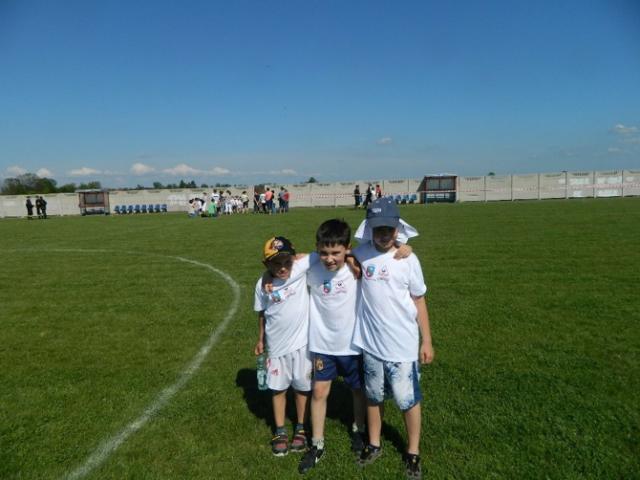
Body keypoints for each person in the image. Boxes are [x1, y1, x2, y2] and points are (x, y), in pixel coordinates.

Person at [352, 197, 434, 479]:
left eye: (389, 229)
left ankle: (413, 451)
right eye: (378, 229)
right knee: (374, 396)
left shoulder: (408, 259)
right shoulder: (361, 254)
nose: (384, 234)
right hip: (371, 345)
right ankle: (374, 443)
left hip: (402, 346)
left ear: (398, 228)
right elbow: (333, 255)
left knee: (407, 399)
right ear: (369, 229)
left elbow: (419, 300)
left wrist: (426, 341)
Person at [298, 219, 367, 474]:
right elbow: (282, 269)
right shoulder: (312, 268)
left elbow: (384, 253)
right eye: (324, 252)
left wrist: (405, 247)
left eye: (336, 253)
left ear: (347, 248)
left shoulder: (356, 267)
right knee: (319, 392)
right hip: (322, 344)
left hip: (352, 344)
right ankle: (317, 444)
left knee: (358, 390)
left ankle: (359, 429)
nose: (329, 259)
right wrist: (267, 279)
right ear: (317, 248)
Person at [254, 237, 314, 457]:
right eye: (276, 263)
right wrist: (261, 339)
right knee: (278, 389)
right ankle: (280, 431)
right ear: (266, 264)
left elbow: (327, 253)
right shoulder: (262, 285)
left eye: (287, 262)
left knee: (302, 388)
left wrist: (300, 257)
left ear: (294, 259)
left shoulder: (299, 268)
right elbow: (262, 313)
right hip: (277, 347)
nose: (282, 268)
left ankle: (301, 428)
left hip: (302, 344)